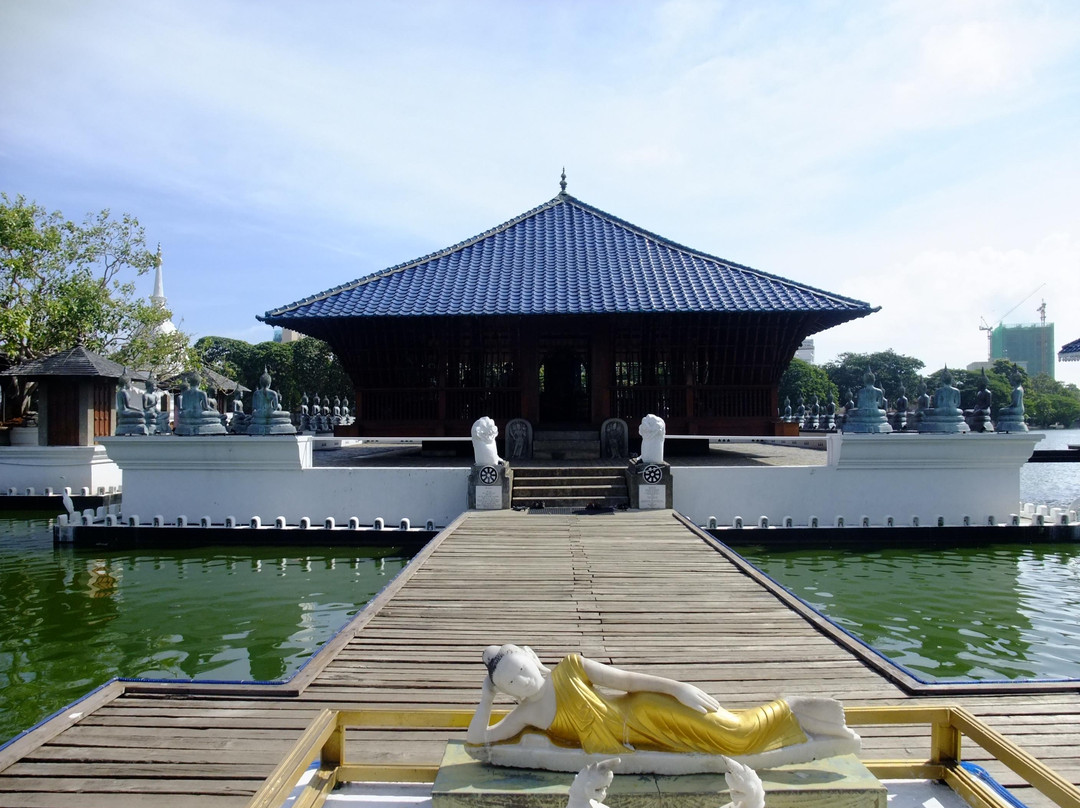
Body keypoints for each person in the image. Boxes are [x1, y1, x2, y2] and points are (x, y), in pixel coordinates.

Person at [465, 644, 858, 774]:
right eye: (511, 684)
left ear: (533, 660)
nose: (523, 682)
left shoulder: (570, 668)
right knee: (730, 742)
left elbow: (627, 681)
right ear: (506, 692)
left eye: (522, 671)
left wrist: (678, 688)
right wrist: (486, 698)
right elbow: (477, 742)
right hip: (637, 740)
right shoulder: (526, 714)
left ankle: (791, 709)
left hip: (647, 712)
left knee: (736, 736)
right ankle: (802, 722)